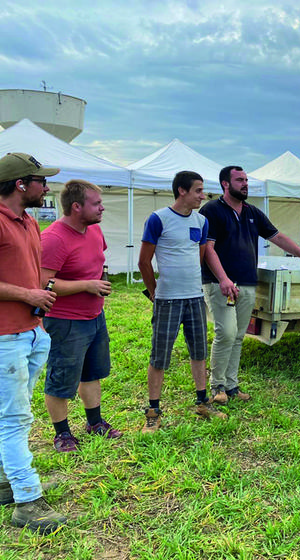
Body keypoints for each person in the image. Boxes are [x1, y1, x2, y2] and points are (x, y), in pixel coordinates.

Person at [200, 166, 300, 404]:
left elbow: (277, 236)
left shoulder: (252, 212)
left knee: (238, 335)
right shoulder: (212, 210)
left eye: (246, 180)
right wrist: (223, 279)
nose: (245, 184)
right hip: (219, 283)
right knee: (225, 332)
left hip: (247, 282)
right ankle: (217, 386)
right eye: (239, 180)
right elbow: (207, 249)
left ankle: (232, 385)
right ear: (225, 184)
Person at [0, 152, 66, 533]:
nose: (47, 186)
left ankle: (7, 480)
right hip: (5, 336)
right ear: (21, 184)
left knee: (11, 412)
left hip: (29, 332)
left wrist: (40, 297)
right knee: (14, 417)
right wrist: (28, 295)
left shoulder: (26, 221)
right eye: (41, 180)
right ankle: (27, 501)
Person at [138, 171, 226, 432]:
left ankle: (202, 402)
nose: (203, 195)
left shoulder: (201, 221)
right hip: (167, 300)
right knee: (160, 355)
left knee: (198, 351)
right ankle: (153, 411)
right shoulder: (158, 219)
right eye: (198, 190)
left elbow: (198, 258)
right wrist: (154, 292)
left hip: (195, 298)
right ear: (181, 191)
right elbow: (144, 262)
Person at [40, 180, 122, 452]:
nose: (102, 208)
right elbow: (43, 283)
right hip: (65, 321)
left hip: (94, 316)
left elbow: (97, 261)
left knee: (91, 373)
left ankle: (95, 423)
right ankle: (62, 434)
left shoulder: (95, 230)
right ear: (76, 207)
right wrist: (87, 286)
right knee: (61, 377)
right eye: (96, 203)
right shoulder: (54, 238)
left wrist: (96, 284)